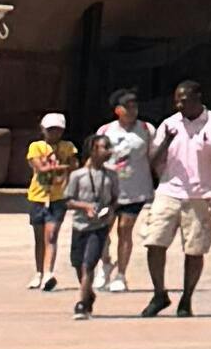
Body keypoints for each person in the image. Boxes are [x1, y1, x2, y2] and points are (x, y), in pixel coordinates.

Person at [141, 79, 211, 320]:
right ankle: (159, 293)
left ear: (197, 97)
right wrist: (166, 141)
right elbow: (151, 160)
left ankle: (186, 298)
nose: (179, 104)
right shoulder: (169, 124)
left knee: (194, 249)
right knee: (154, 241)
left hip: (199, 195)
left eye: (183, 100)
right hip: (168, 191)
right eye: (176, 100)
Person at [62, 115, 132, 318]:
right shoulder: (77, 176)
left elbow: (116, 199)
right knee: (78, 264)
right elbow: (68, 200)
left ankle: (81, 304)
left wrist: (110, 210)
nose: (109, 151)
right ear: (93, 150)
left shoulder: (111, 175)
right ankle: (88, 293)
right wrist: (84, 206)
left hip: (99, 227)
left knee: (89, 264)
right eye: (104, 147)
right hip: (80, 225)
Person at [20, 115, 77, 287]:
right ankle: (39, 272)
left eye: (57, 129)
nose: (54, 133)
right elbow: (40, 167)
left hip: (58, 197)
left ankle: (48, 273)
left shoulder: (68, 147)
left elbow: (75, 165)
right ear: (43, 129)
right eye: (50, 129)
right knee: (39, 238)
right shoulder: (36, 146)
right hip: (38, 196)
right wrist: (62, 167)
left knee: (51, 236)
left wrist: (60, 168)